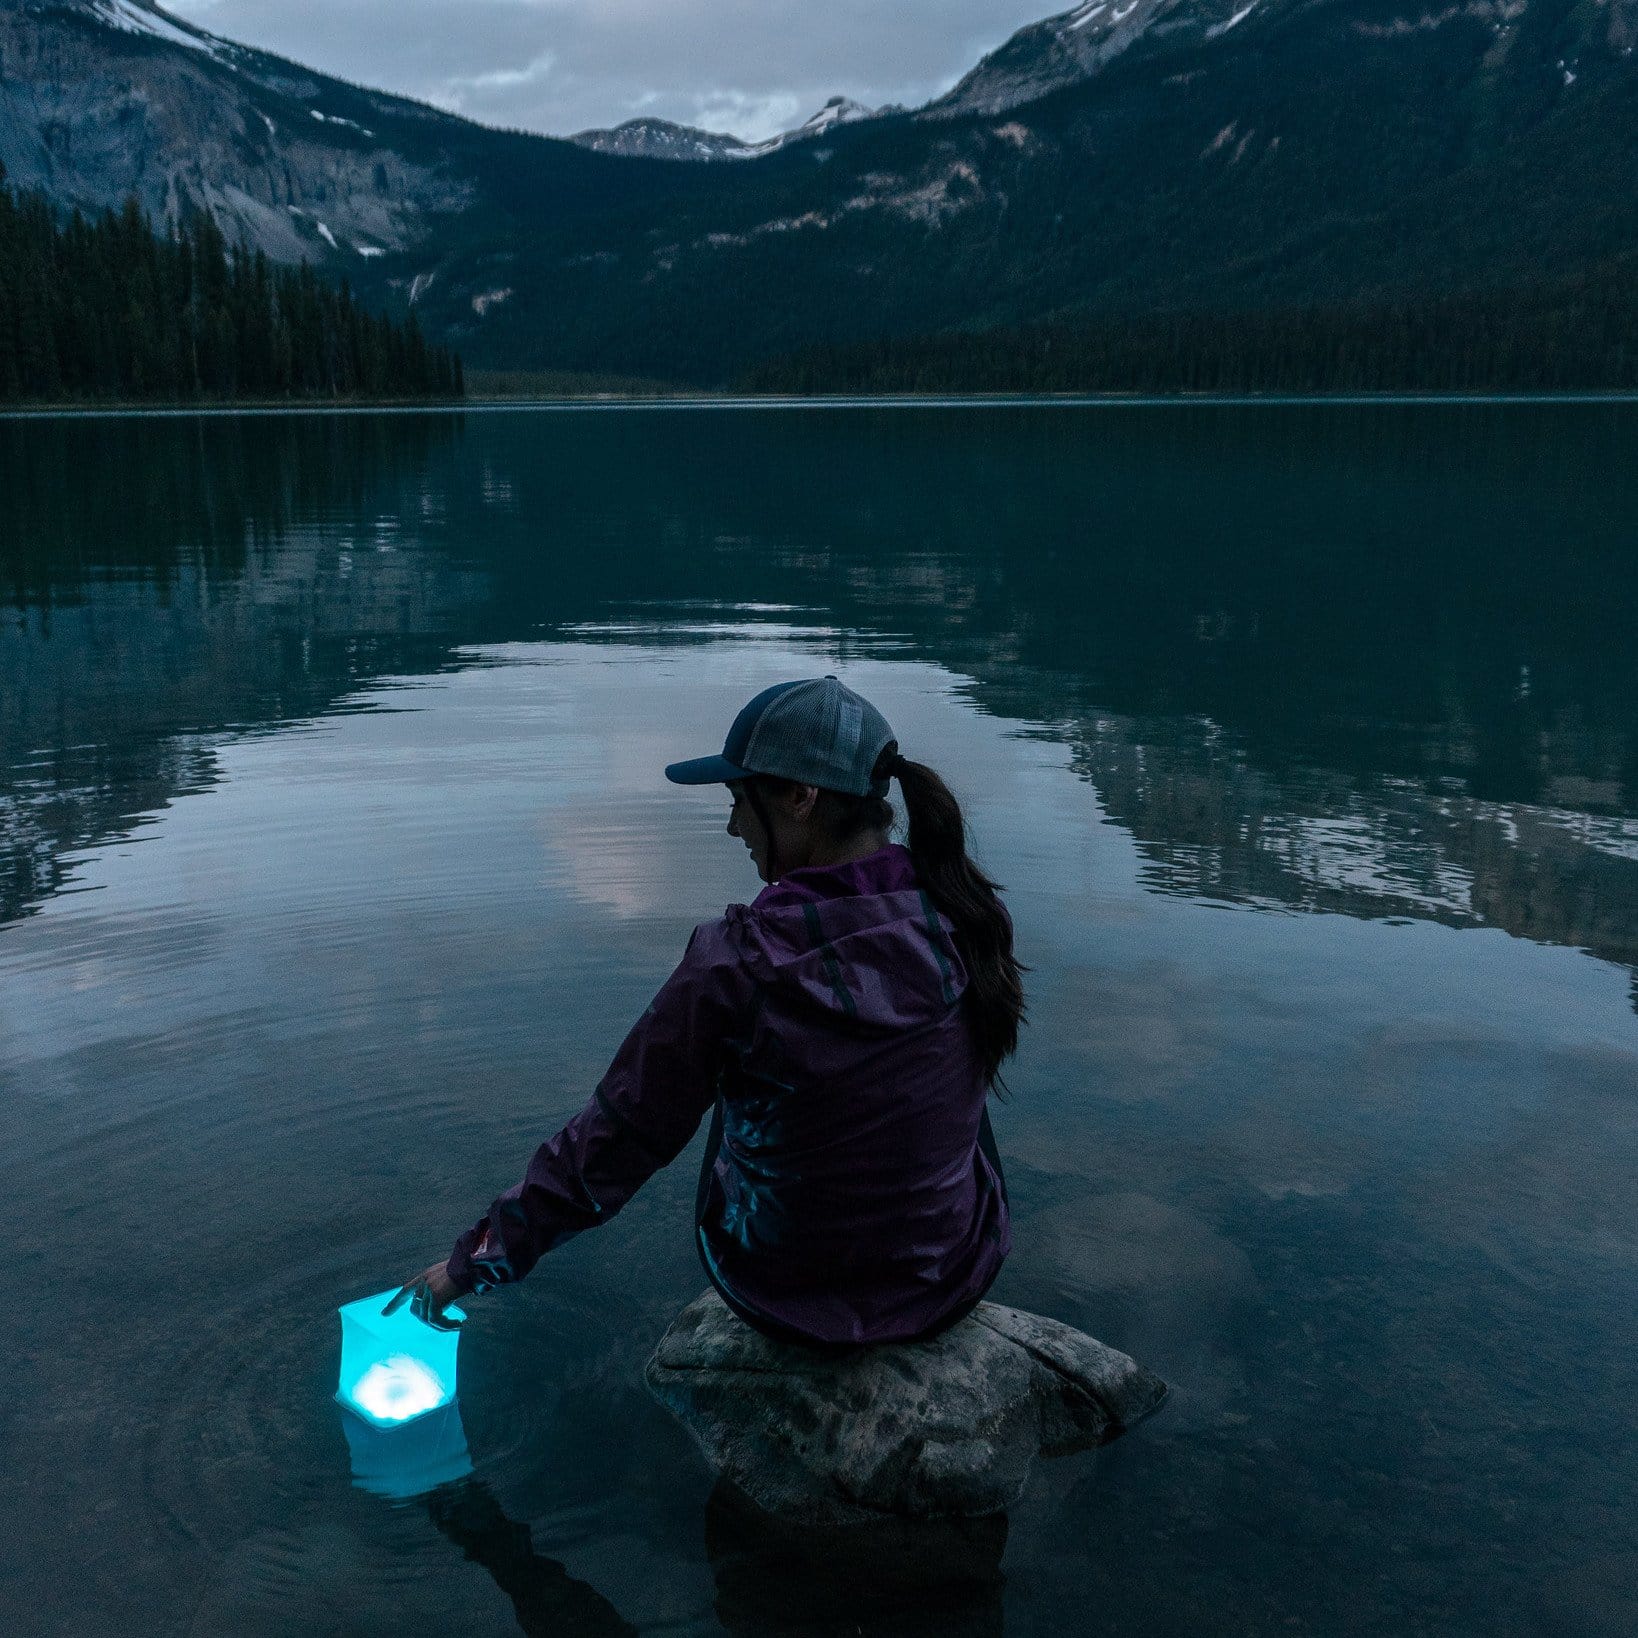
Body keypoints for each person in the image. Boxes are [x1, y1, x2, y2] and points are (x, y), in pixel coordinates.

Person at [389, 676, 1024, 1347]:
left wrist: (470, 1268)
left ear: (800, 798)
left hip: (786, 1298)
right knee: (937, 1062)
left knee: (719, 1083)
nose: (731, 826)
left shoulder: (737, 962)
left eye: (739, 800)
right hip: (949, 1282)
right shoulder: (965, 913)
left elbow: (616, 1139)